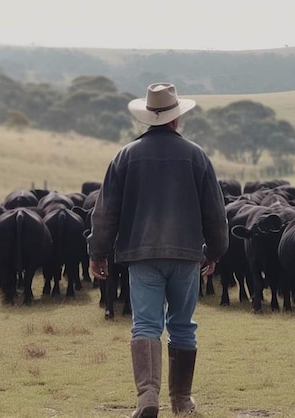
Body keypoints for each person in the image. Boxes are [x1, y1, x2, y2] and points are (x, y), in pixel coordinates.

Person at [87, 82, 229, 417]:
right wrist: (215, 251)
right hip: (186, 254)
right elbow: (215, 212)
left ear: (147, 118)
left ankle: (147, 397)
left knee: (146, 325)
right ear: (177, 119)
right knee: (182, 325)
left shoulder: (124, 156)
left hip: (142, 255)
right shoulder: (196, 156)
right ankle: (181, 400)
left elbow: (105, 212)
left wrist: (97, 253)